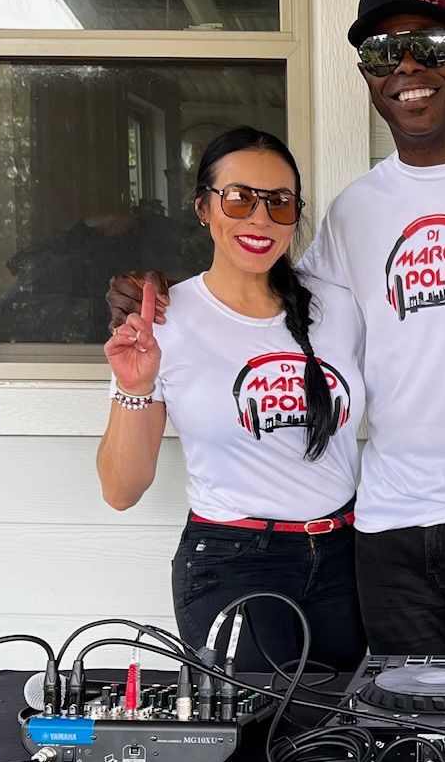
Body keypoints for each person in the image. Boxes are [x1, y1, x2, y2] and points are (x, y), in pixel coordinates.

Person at [110, 0, 445, 658]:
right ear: (368, 76)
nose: (408, 66)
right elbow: (267, 306)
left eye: (432, 46)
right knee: (404, 735)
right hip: (384, 526)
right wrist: (160, 297)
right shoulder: (354, 211)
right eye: (383, 54)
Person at [99, 126, 366, 673]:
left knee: (341, 740)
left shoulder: (339, 309)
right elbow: (121, 490)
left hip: (346, 558)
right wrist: (134, 386)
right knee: (255, 740)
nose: (260, 219)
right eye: (239, 198)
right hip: (233, 562)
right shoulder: (164, 323)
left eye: (280, 202)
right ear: (203, 208)